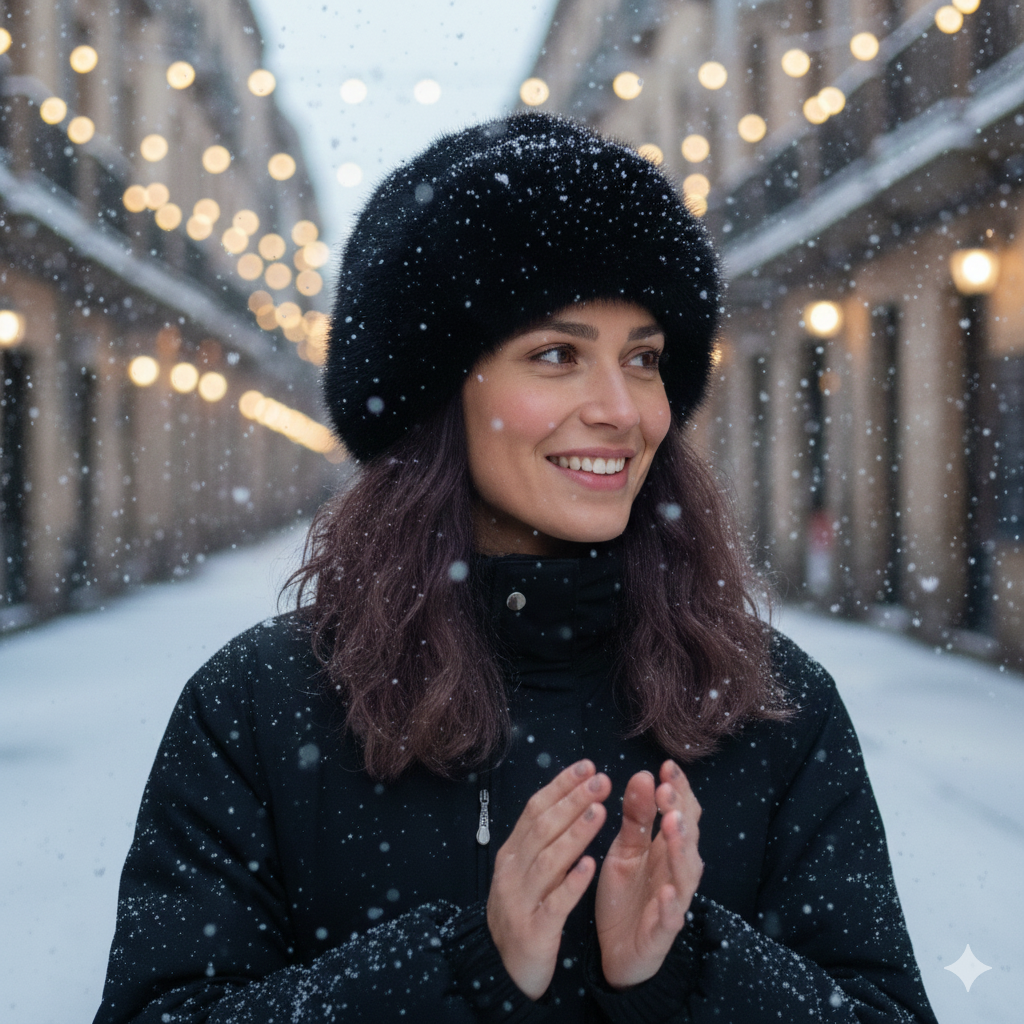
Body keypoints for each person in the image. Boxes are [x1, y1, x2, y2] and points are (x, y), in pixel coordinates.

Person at [94, 112, 937, 1023]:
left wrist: (687, 966)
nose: (621, 409)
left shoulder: (768, 704)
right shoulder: (259, 708)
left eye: (644, 358)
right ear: (437, 394)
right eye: (556, 355)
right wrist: (460, 971)